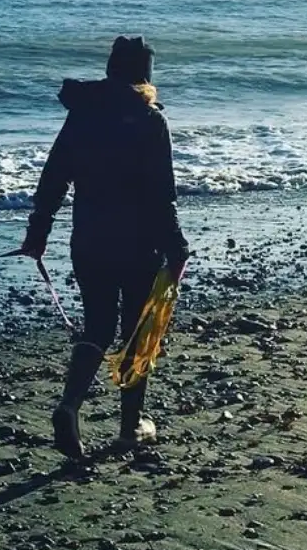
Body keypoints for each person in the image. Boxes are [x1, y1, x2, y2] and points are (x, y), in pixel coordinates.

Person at [22, 35, 189, 459]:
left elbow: (54, 176)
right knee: (137, 331)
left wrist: (38, 234)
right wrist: (178, 247)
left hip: (90, 240)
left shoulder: (83, 115)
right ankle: (130, 429)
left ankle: (69, 405)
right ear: (144, 77)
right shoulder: (150, 120)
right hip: (139, 244)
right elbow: (161, 195)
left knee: (98, 324)